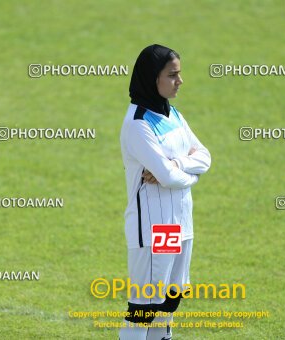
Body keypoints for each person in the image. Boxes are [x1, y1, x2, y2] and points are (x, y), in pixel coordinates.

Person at [119, 44, 211, 340]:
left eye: (179, 74)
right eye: (172, 75)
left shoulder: (174, 115)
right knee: (143, 309)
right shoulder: (138, 124)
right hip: (153, 228)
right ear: (151, 78)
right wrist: (186, 172)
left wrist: (177, 164)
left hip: (180, 224)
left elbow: (205, 158)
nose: (179, 81)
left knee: (170, 301)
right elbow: (168, 177)